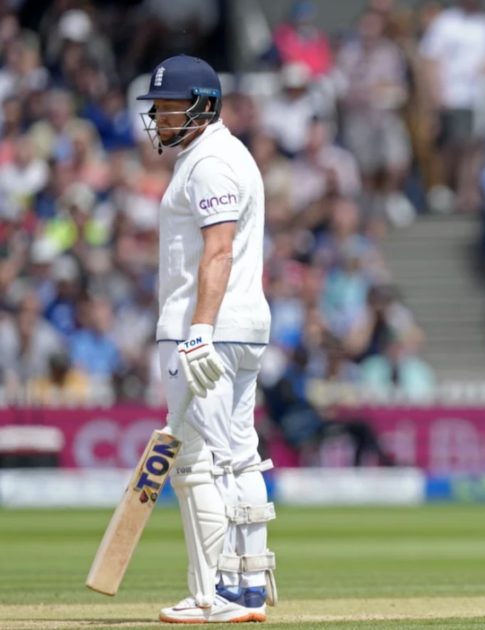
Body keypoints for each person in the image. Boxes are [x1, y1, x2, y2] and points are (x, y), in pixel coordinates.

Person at [136, 55, 276, 624]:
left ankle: (217, 592)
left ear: (204, 106)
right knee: (238, 457)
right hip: (237, 327)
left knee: (202, 463)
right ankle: (246, 584)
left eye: (171, 106)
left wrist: (198, 332)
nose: (162, 117)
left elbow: (218, 250)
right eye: (159, 107)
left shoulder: (212, 162)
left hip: (206, 329)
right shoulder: (215, 155)